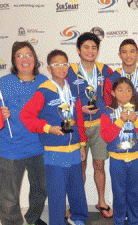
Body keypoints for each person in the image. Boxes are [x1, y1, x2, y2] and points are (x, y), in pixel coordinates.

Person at [20, 50, 88, 225]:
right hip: (55, 152)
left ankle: (78, 218)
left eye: (64, 64)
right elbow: (26, 116)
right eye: (57, 65)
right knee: (57, 194)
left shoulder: (73, 89)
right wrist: (48, 128)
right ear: (49, 68)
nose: (62, 68)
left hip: (74, 150)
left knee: (77, 190)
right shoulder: (44, 91)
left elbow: (79, 118)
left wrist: (82, 144)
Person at [104, 38, 138, 219]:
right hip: (118, 129)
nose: (128, 55)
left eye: (132, 51)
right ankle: (122, 209)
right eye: (124, 51)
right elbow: (106, 102)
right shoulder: (112, 77)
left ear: (137, 54)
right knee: (120, 175)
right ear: (119, 55)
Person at [0, 41, 48, 225]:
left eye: (29, 54)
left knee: (41, 190)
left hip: (40, 146)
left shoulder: (45, 82)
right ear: (13, 60)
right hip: (12, 149)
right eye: (19, 55)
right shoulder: (3, 83)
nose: (24, 59)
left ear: (35, 59)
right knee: (9, 197)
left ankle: (33, 218)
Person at [66, 32, 113, 218]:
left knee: (99, 165)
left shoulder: (104, 69)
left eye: (94, 47)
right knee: (81, 167)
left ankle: (101, 201)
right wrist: (79, 110)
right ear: (78, 50)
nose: (90, 51)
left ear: (98, 50)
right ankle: (77, 204)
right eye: (86, 47)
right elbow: (63, 98)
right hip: (79, 126)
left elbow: (114, 92)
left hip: (100, 125)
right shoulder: (69, 70)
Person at [101, 77, 138, 225]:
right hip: (117, 159)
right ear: (113, 93)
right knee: (119, 194)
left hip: (137, 159)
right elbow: (106, 136)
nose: (124, 93)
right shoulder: (107, 111)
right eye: (120, 90)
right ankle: (118, 221)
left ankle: (134, 221)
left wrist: (136, 120)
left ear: (133, 92)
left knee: (134, 194)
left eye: (128, 90)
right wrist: (119, 121)